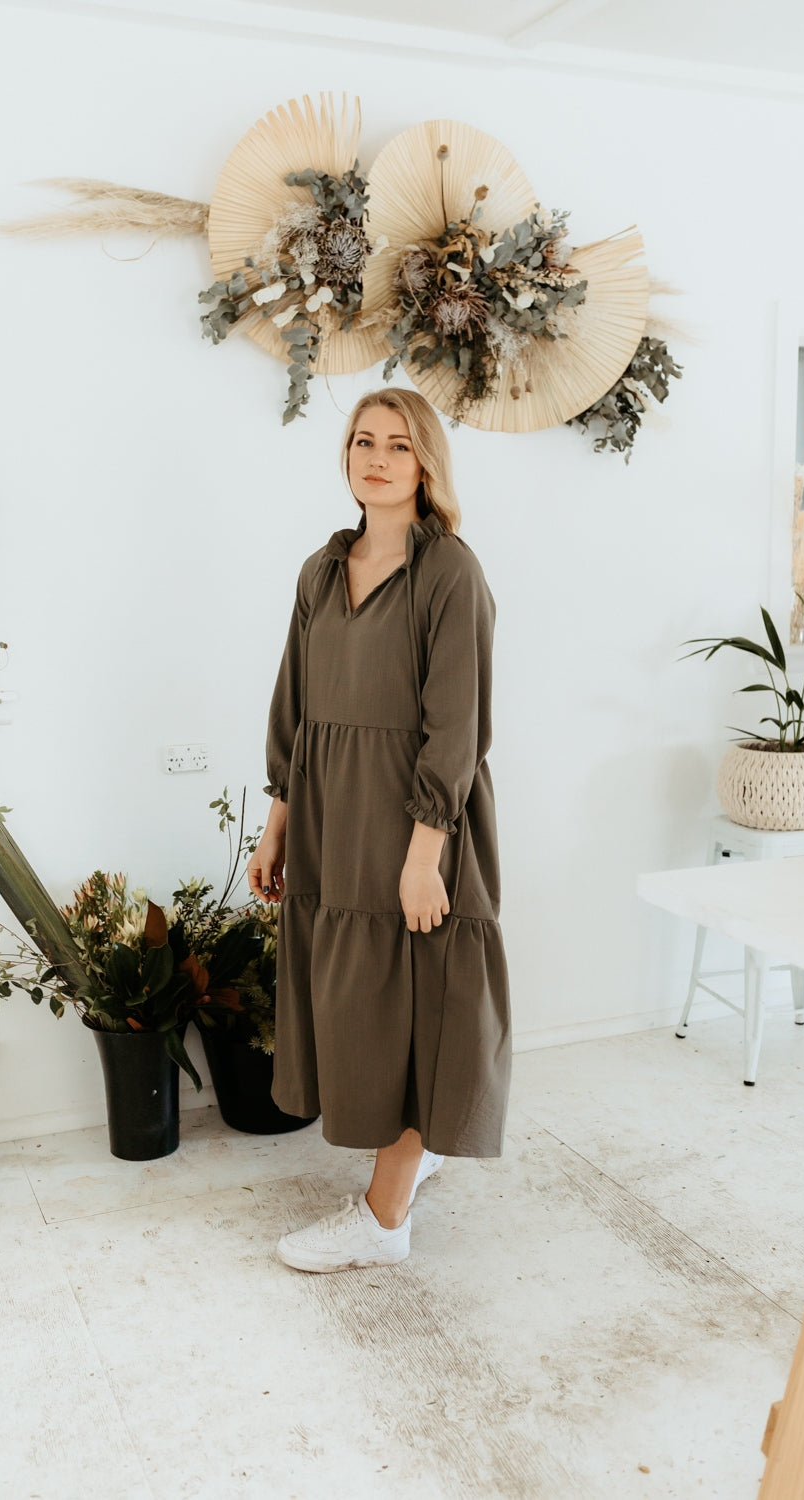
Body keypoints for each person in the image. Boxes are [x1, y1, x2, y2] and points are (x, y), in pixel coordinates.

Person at [246, 387, 511, 1273]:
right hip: (332, 818)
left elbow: (457, 725)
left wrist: (425, 854)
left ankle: (383, 1220)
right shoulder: (321, 572)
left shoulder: (450, 573)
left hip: (414, 821)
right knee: (361, 1006)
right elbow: (295, 707)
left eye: (399, 445)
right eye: (364, 441)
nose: (378, 459)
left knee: (419, 1008)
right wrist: (278, 823)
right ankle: (407, 1161)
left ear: (425, 462)